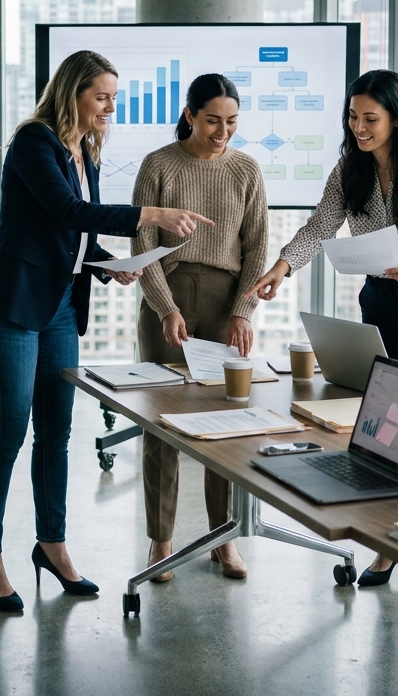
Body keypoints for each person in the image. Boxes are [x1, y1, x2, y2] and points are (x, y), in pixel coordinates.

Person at [0, 49, 214, 612]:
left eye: (114, 99)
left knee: (55, 431)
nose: (110, 108)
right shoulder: (36, 142)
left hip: (57, 303)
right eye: (101, 97)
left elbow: (70, 236)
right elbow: (65, 212)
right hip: (13, 302)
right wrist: (148, 215)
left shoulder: (86, 149)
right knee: (8, 432)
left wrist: (106, 263)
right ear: (72, 93)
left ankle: (51, 546)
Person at [246, 68, 398, 602]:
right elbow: (320, 226)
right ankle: (388, 545)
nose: (359, 127)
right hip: (381, 303)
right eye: (353, 117)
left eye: (370, 119)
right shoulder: (349, 168)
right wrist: (283, 267)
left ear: (397, 117)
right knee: (387, 431)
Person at [133, 73, 268, 581]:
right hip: (165, 299)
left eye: (232, 122)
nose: (223, 131)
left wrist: (243, 311)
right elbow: (143, 240)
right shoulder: (159, 165)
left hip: (225, 302)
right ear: (190, 115)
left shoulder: (246, 169)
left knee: (225, 423)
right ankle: (161, 540)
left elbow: (256, 245)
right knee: (161, 423)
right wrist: (166, 307)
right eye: (213, 120)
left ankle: (223, 539)